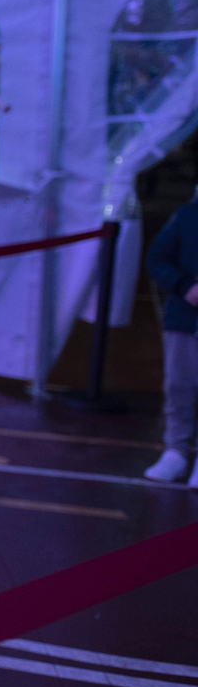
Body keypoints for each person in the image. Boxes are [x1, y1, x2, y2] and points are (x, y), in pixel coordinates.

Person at [143, 196, 198, 485]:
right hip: (185, 319)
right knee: (179, 386)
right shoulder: (187, 215)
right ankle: (175, 452)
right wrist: (184, 286)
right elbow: (157, 258)